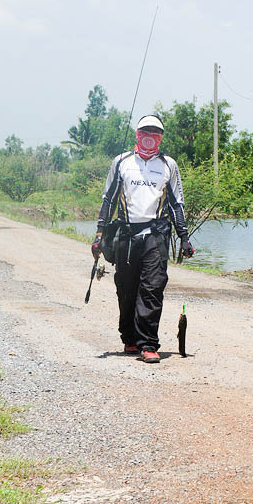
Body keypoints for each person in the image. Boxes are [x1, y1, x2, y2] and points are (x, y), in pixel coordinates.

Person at [91, 114, 194, 364]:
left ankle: (148, 343)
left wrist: (184, 237)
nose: (150, 137)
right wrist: (99, 235)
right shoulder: (122, 162)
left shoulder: (168, 165)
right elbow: (109, 199)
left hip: (156, 235)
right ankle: (129, 338)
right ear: (137, 134)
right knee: (126, 289)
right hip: (126, 235)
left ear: (161, 137)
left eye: (155, 132)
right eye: (145, 131)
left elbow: (176, 204)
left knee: (152, 287)